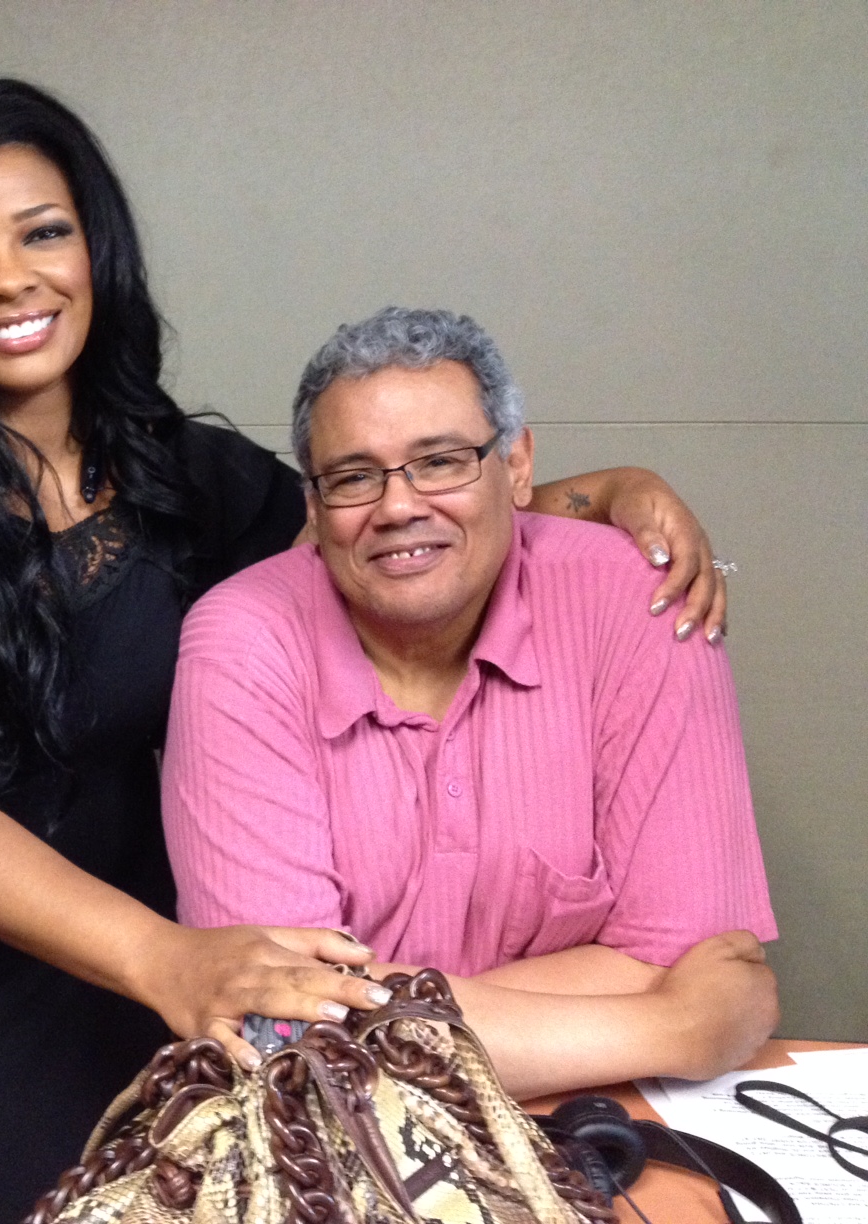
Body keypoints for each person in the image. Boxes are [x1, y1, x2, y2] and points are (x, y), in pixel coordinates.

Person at [0, 81, 732, 1223]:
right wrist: (166, 961)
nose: (10, 279)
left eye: (43, 233)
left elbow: (379, 523)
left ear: (96, 248)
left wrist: (604, 493)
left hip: (154, 966)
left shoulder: (168, 465)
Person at [162, 306, 779, 1102]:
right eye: (354, 477)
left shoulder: (640, 597)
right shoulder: (242, 640)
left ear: (517, 466)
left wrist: (373, 1014)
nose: (398, 507)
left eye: (441, 462)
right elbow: (282, 1032)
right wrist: (677, 1029)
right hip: (338, 1148)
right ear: (313, 505)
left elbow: (696, 958)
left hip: (620, 1116)